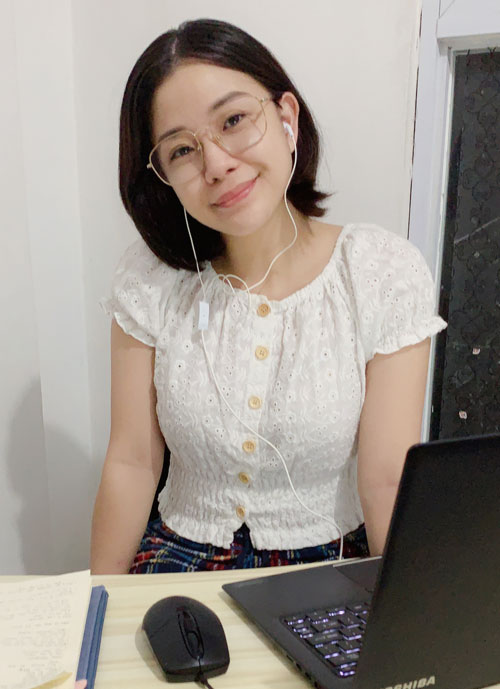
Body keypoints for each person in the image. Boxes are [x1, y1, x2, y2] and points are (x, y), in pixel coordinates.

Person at [90, 18, 447, 574]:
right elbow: (133, 462)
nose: (216, 164)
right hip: (176, 563)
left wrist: (405, 620)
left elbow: (386, 480)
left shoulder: (379, 273)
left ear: (287, 118)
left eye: (234, 120)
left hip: (330, 565)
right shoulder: (151, 279)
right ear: (162, 175)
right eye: (182, 150)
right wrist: (98, 605)